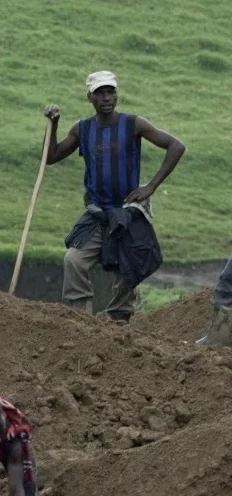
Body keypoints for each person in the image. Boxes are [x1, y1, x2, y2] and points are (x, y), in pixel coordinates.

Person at [43, 71, 184, 321]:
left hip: (128, 212)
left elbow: (176, 146)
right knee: (74, 259)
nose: (107, 97)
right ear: (90, 98)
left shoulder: (133, 124)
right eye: (100, 93)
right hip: (97, 213)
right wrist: (53, 125)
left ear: (116, 95)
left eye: (110, 92)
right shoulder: (82, 129)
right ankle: (81, 318)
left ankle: (119, 320)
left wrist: (150, 186)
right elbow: (51, 156)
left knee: (128, 268)